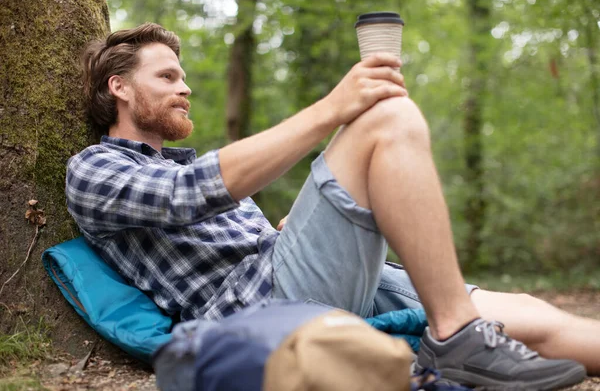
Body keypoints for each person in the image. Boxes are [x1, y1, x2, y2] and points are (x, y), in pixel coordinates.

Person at [67, 23, 598, 388]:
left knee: (533, 315)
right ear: (119, 87)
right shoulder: (94, 168)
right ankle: (455, 332)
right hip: (261, 310)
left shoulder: (192, 164)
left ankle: (459, 327)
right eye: (167, 77)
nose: (185, 89)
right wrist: (331, 110)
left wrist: (295, 228)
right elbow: (189, 197)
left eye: (184, 77)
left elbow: (232, 217)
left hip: (321, 283)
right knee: (388, 115)